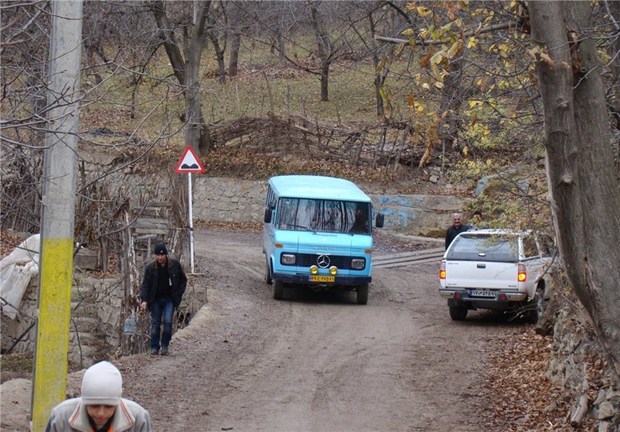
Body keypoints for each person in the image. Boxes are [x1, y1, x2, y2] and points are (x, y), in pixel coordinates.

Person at [45, 361, 152, 432]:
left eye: (109, 406)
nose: (101, 413)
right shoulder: (61, 417)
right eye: (94, 406)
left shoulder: (139, 419)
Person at [140, 242, 187, 355]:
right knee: (155, 323)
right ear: (155, 256)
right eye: (158, 255)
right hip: (155, 300)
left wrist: (179, 293)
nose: (160, 257)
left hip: (169, 299)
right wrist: (144, 300)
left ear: (166, 255)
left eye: (162, 255)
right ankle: (154, 347)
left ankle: (165, 345)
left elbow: (183, 280)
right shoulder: (150, 268)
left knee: (168, 322)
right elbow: (145, 285)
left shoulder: (174, 265)